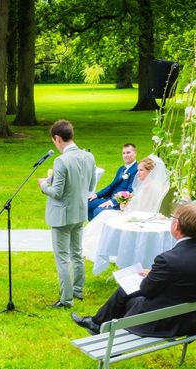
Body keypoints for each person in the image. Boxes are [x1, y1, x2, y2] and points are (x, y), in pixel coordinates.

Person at [72, 203, 196, 337]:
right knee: (125, 292)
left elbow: (147, 290)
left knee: (126, 292)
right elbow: (186, 277)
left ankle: (98, 326)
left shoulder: (168, 259)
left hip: (166, 323)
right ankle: (96, 324)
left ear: (176, 226)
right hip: (193, 318)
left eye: (173, 218)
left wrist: (150, 276)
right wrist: (156, 274)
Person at [39, 120, 96, 308]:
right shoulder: (89, 156)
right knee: (77, 253)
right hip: (80, 212)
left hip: (62, 216)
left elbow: (57, 192)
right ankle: (78, 290)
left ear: (57, 138)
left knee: (62, 258)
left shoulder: (61, 160)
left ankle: (66, 299)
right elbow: (90, 187)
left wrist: (44, 185)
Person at [82, 156, 170, 261]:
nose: (138, 173)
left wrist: (124, 209)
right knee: (104, 215)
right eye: (138, 170)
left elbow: (143, 208)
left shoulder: (150, 187)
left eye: (141, 170)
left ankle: (106, 247)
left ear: (150, 171)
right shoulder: (146, 184)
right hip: (136, 213)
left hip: (140, 217)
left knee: (105, 216)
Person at [88, 143, 138, 220]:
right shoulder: (121, 168)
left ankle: (102, 229)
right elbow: (112, 185)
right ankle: (95, 228)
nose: (125, 155)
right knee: (87, 203)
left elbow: (130, 191)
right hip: (109, 198)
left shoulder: (137, 170)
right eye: (123, 153)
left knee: (97, 211)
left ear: (135, 153)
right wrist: (96, 195)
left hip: (121, 203)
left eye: (128, 152)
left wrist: (111, 202)